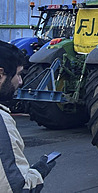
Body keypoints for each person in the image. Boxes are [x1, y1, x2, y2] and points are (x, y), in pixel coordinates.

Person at [0, 41, 56, 192]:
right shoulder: (1, 122)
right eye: (17, 74)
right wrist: (38, 172)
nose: (20, 81)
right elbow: (17, 188)